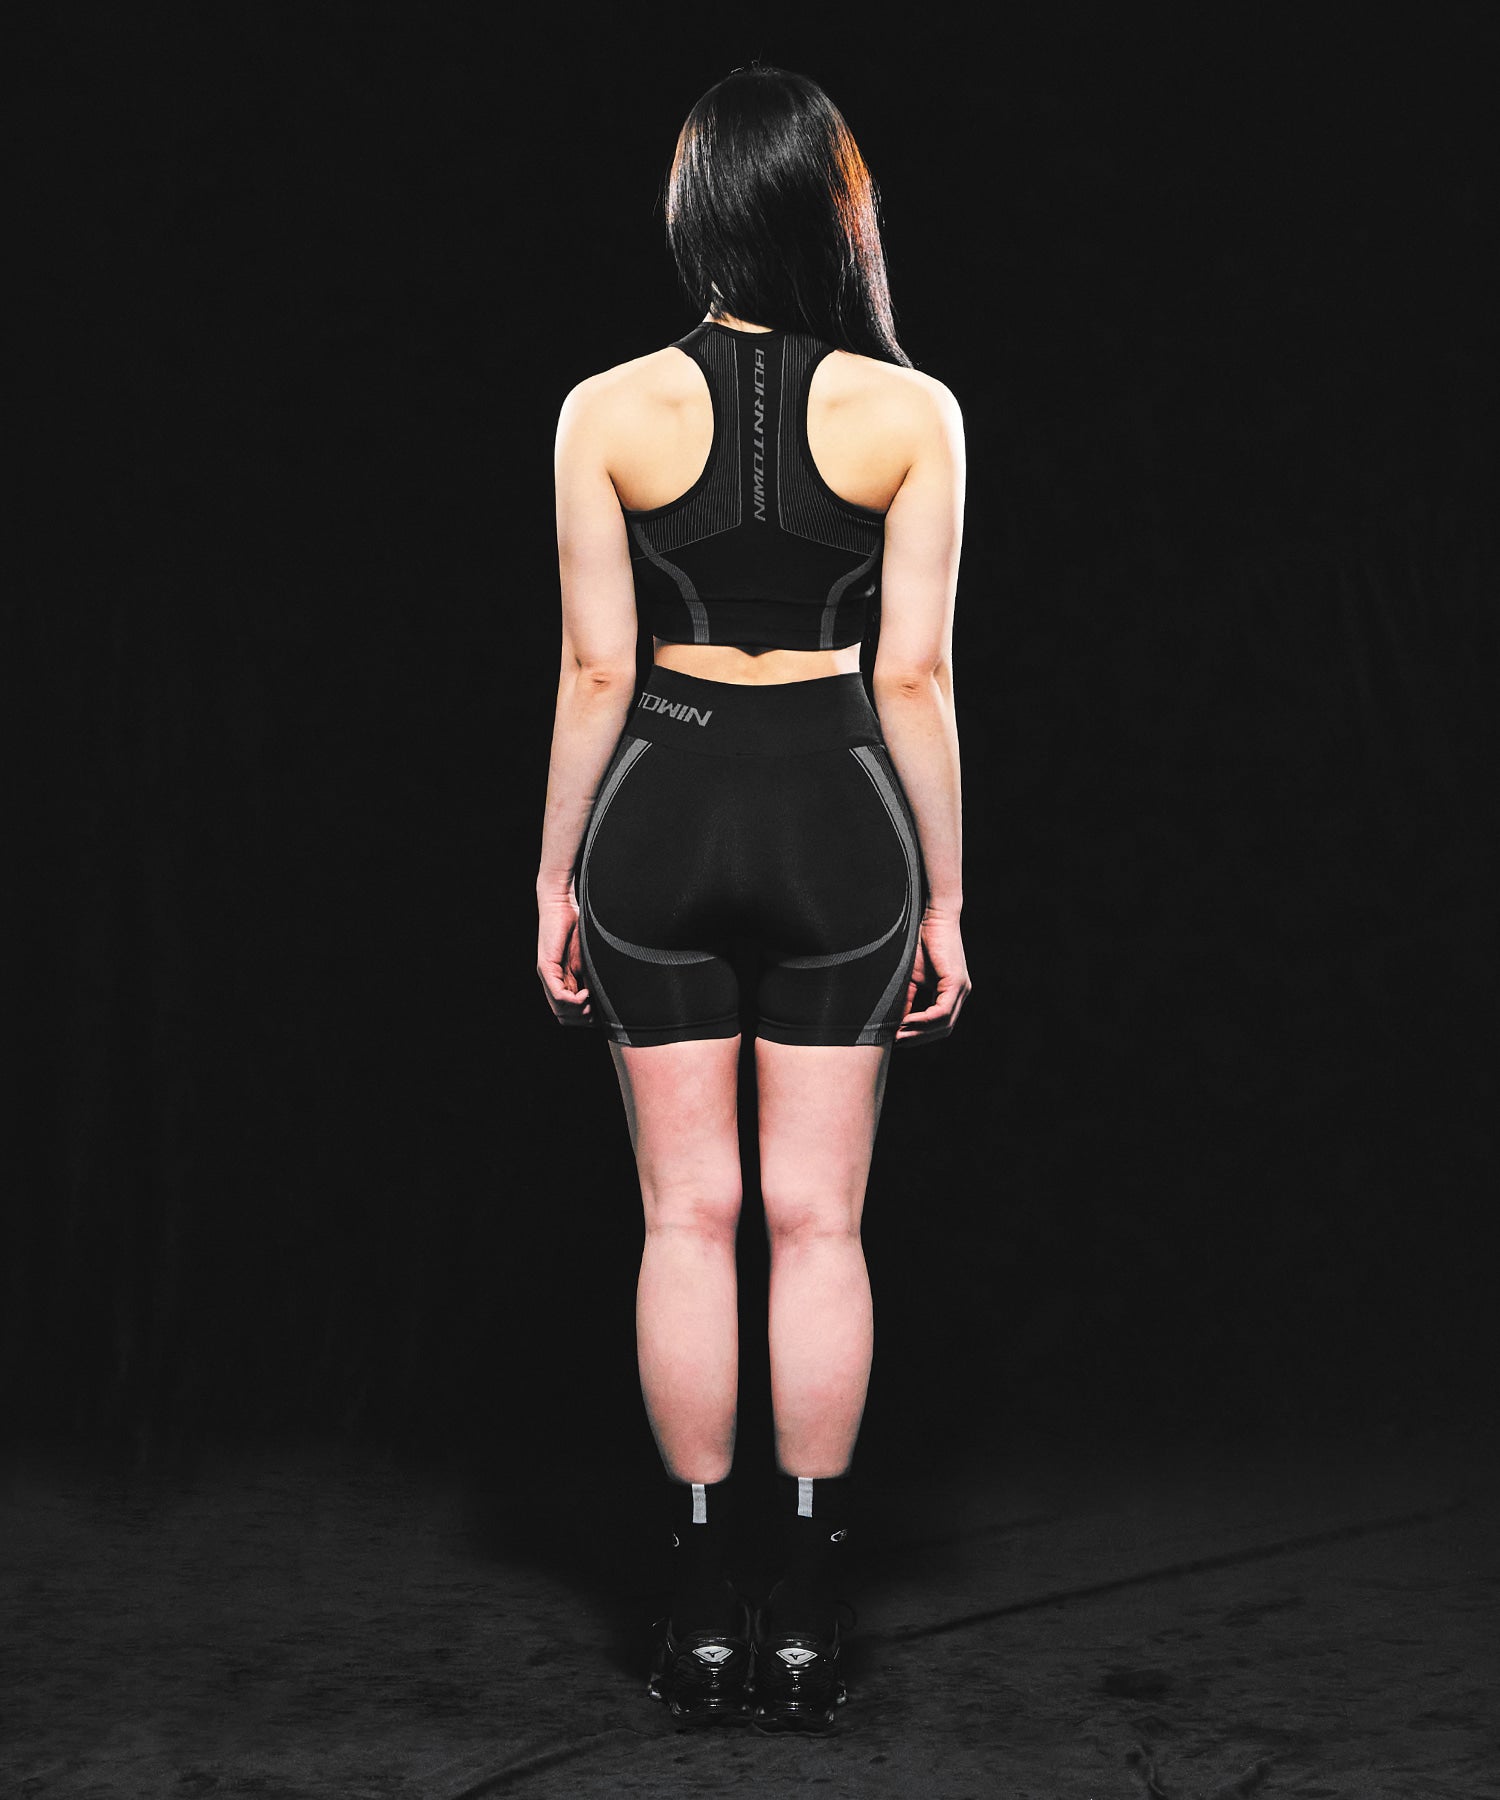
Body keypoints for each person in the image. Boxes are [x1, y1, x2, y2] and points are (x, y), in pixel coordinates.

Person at [535, 64, 969, 1731]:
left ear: (697, 210)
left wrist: (554, 875)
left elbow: (597, 667)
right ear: (834, 214)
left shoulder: (604, 410)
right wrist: (945, 903)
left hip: (662, 807)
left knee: (686, 1219)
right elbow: (914, 677)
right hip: (837, 821)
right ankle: (804, 1612)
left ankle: (701, 1605)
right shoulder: (913, 415)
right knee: (817, 1224)